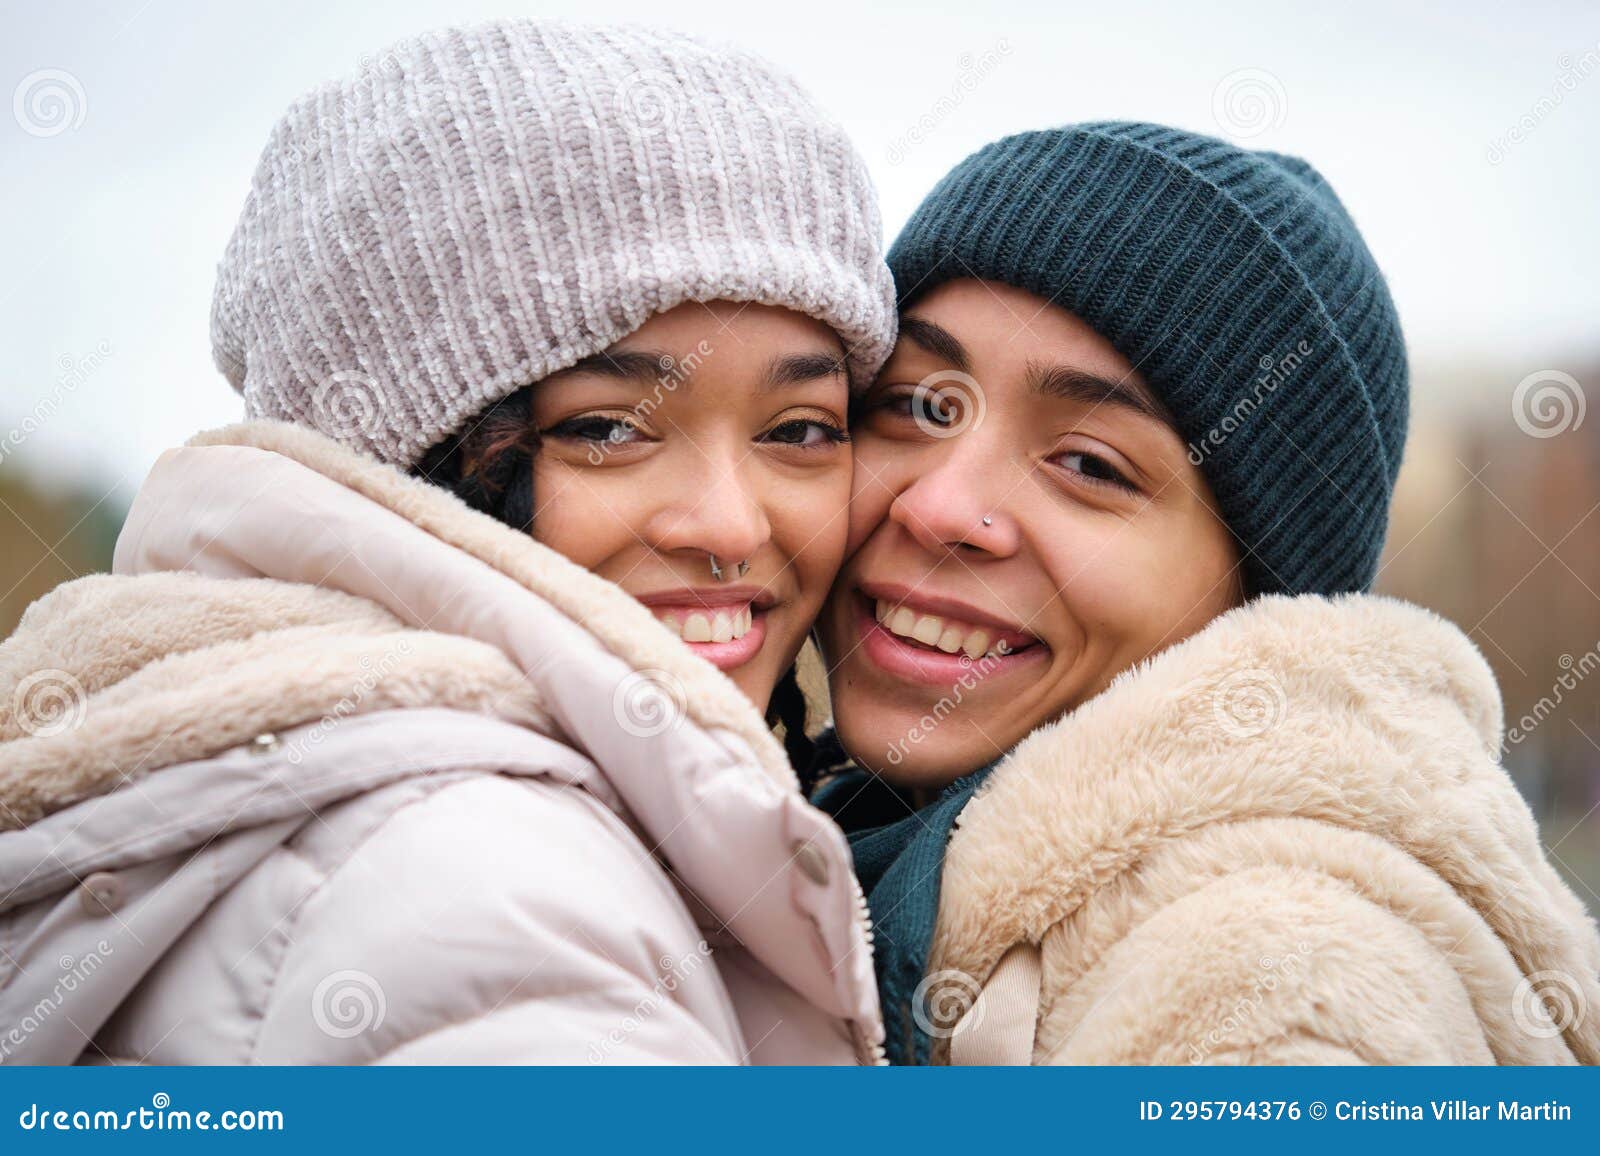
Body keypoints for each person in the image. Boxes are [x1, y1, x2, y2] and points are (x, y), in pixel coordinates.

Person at [0, 20, 895, 1065]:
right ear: (404, 457)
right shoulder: (505, 905)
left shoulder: (294, 766)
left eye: (799, 431)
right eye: (608, 428)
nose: (732, 526)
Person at [813, 123, 1600, 1065]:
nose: (940, 505)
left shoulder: (1277, 994)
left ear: (1259, 596)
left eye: (1089, 463)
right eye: (921, 404)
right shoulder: (849, 849)